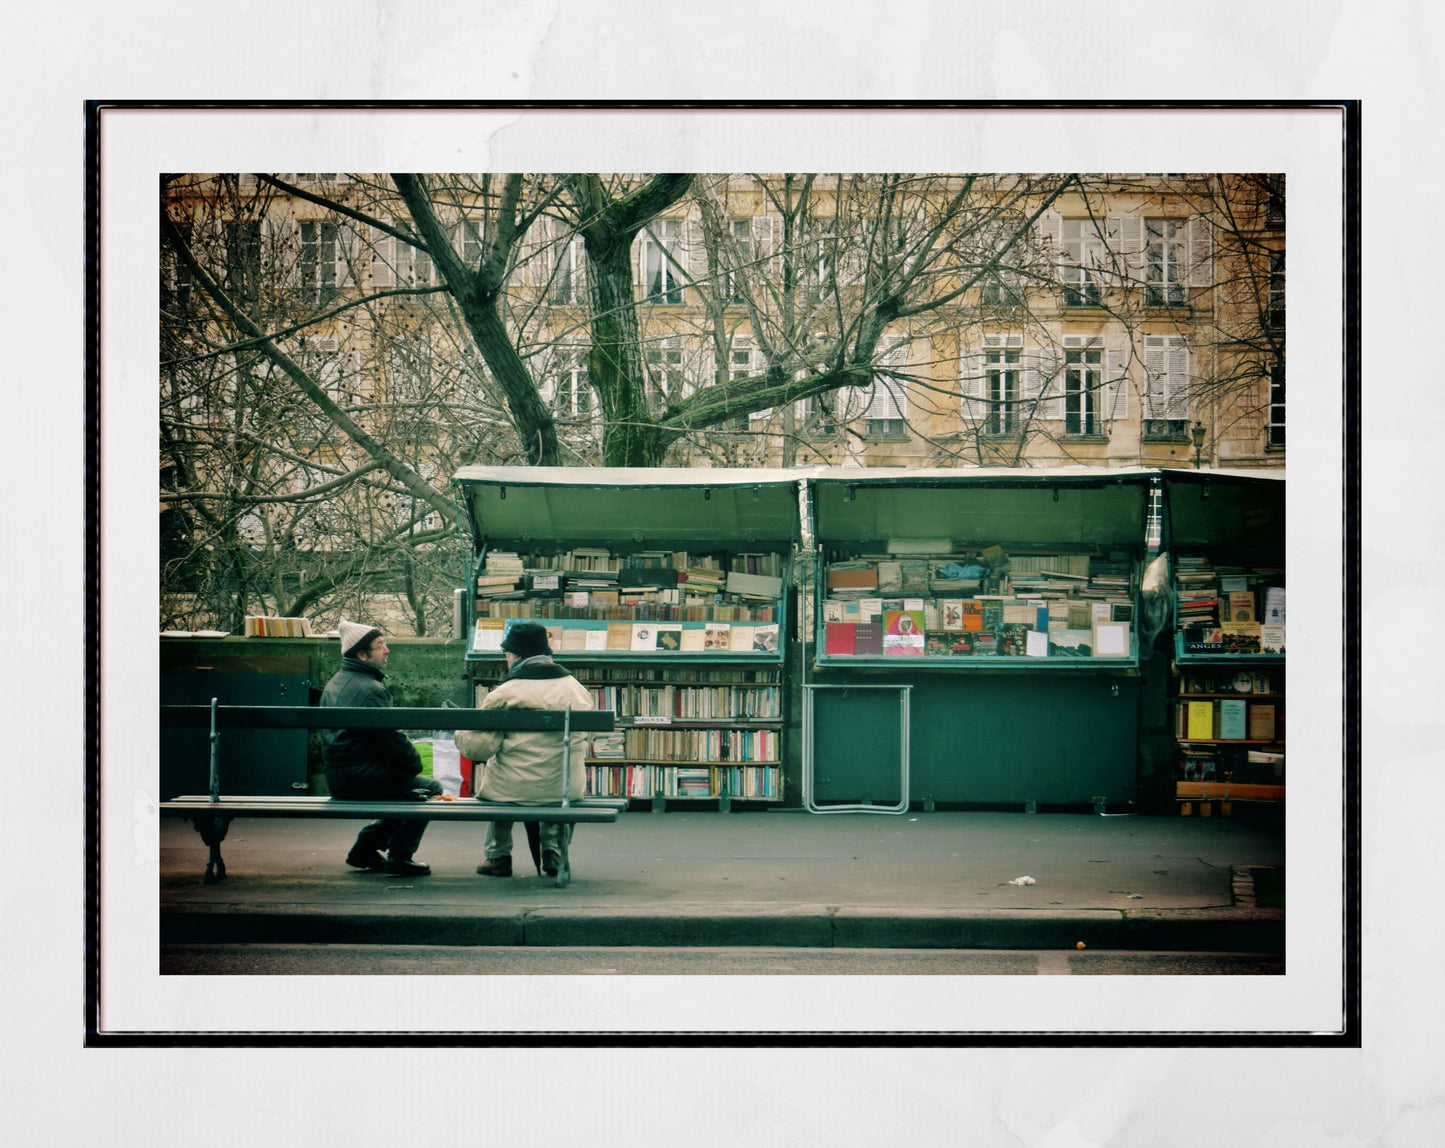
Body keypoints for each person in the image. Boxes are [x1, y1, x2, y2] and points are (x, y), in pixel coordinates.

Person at [454, 621, 593, 878]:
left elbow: (479, 750)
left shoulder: (506, 692)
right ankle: (554, 851)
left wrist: (460, 732)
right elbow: (588, 737)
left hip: (512, 789)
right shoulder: (577, 689)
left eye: (506, 654)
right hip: (565, 788)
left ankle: (498, 856)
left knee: (499, 780)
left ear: (515, 655)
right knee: (555, 769)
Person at [320, 619, 441, 877]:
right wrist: (414, 764)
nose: (387, 651)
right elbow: (390, 739)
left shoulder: (337, 682)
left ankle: (365, 849)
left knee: (410, 791)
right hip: (360, 778)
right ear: (362, 654)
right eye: (380, 646)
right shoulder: (369, 690)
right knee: (429, 788)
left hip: (341, 775)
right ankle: (399, 856)